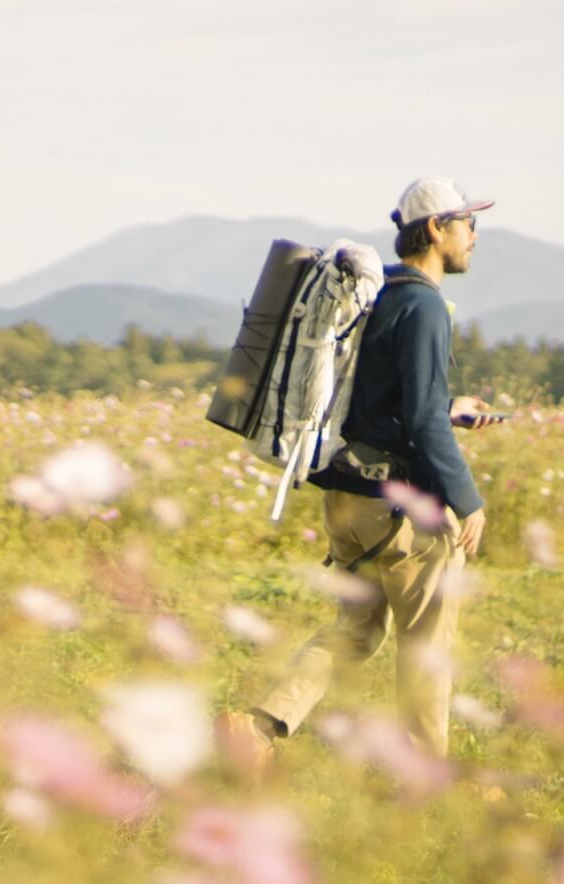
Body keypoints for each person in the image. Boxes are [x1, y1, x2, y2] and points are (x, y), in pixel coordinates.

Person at [217, 176, 501, 776]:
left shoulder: (383, 298)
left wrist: (454, 410)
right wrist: (466, 502)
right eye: (466, 222)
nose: (474, 233)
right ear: (435, 230)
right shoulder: (423, 304)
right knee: (426, 646)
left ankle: (258, 727)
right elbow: (422, 418)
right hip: (399, 511)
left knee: (357, 630)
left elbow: (381, 404)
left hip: (349, 499)